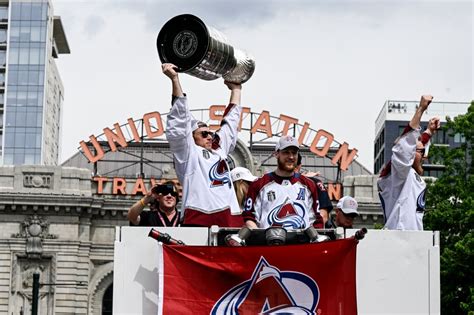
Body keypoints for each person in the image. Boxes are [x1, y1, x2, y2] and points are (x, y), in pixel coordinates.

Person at [162, 63, 244, 227]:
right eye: (204, 134)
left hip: (228, 218)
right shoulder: (188, 155)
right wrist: (175, 79)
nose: (209, 137)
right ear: (192, 138)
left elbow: (230, 124)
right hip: (197, 217)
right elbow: (180, 120)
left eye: (211, 133)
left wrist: (236, 90)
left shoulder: (218, 151)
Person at [378, 95, 440, 230]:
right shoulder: (399, 174)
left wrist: (429, 132)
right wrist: (421, 109)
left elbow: (416, 147)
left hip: (414, 241)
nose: (425, 158)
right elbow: (406, 147)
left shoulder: (410, 174)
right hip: (400, 239)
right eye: (422, 153)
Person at [242, 135, 324, 229]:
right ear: (276, 154)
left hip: (301, 243)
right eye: (286, 152)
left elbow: (317, 221)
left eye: (294, 153)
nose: (291, 157)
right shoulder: (259, 184)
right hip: (269, 242)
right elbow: (249, 217)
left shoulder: (309, 185)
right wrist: (261, 238)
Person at [295, 153, 334, 227]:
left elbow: (323, 216)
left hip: (309, 233)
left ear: (299, 166)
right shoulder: (275, 183)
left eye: (295, 166)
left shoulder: (315, 183)